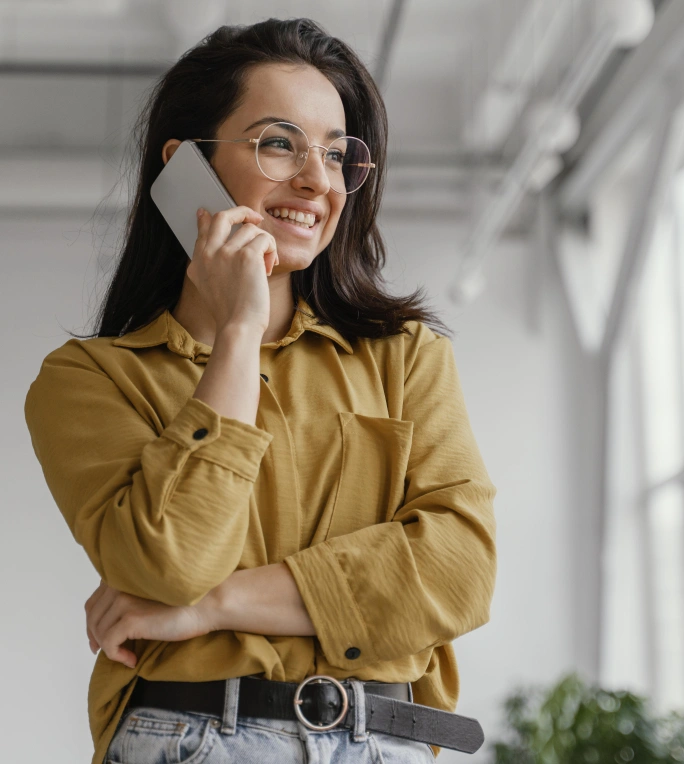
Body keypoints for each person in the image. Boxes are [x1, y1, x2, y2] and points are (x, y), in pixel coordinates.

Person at [22, 16, 497, 764]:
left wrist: (216, 604)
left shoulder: (406, 358)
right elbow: (167, 565)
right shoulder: (90, 381)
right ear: (184, 168)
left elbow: (459, 572)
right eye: (280, 143)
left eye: (337, 154)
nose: (317, 180)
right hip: (193, 738)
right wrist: (238, 331)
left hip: (391, 743)